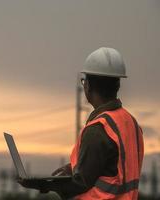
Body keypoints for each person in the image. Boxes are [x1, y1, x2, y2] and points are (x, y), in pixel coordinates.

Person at [18, 47, 144, 199]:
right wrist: (72, 168)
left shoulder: (98, 129)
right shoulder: (131, 123)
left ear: (88, 86)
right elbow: (110, 168)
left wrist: (43, 184)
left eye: (84, 81)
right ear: (117, 85)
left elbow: (79, 184)